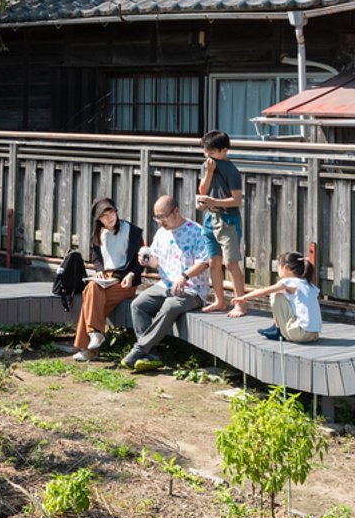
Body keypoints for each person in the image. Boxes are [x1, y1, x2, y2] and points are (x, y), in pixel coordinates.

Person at [120, 194, 212, 370]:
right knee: (138, 305)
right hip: (166, 285)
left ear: (176, 211)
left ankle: (138, 350)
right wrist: (146, 260)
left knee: (170, 306)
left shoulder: (196, 231)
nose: (160, 221)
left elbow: (204, 262)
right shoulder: (162, 232)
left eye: (163, 216)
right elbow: (156, 262)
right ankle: (151, 355)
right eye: (157, 217)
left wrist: (184, 277)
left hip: (192, 290)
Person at [72, 197, 143, 362]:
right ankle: (94, 335)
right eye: (104, 215)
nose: (109, 217)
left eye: (111, 212)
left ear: (116, 211)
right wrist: (99, 271)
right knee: (92, 290)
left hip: (125, 281)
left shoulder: (131, 231)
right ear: (98, 220)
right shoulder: (98, 234)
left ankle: (91, 344)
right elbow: (96, 259)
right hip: (105, 281)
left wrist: (132, 275)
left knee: (90, 296)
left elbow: (141, 262)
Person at [195, 130, 246, 313]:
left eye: (212, 153)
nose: (208, 157)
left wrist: (213, 201)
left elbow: (237, 200)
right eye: (206, 153)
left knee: (231, 263)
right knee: (213, 261)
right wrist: (208, 173)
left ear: (224, 150)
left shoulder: (232, 170)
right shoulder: (207, 166)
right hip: (210, 217)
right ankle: (219, 301)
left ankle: (240, 303)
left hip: (228, 219)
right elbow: (203, 188)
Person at [227, 251, 324, 344]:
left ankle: (278, 330)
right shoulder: (309, 285)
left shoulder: (289, 282)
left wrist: (243, 297)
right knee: (284, 295)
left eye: (278, 266)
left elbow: (265, 291)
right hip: (314, 334)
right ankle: (278, 327)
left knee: (276, 295)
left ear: (285, 268)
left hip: (299, 334)